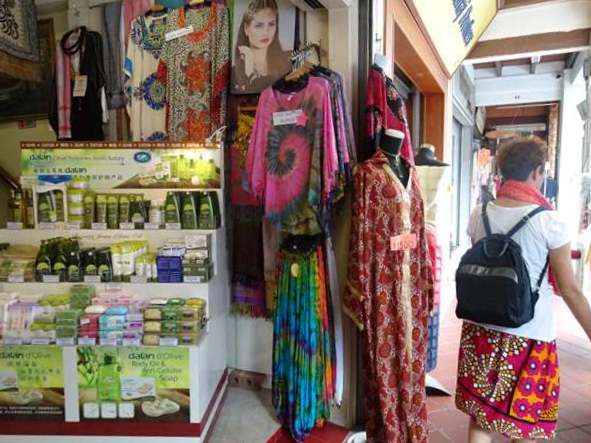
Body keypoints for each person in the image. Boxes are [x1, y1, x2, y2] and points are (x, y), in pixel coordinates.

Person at [455, 137, 591, 443]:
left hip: (481, 328)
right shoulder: (549, 221)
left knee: (481, 417)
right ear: (537, 172)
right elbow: (569, 289)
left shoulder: (480, 213)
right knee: (524, 425)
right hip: (530, 335)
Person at [232, 0, 291, 94]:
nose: (265, 32)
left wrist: (251, 75)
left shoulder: (288, 61)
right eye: (259, 25)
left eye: (271, 24)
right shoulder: (234, 73)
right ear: (246, 28)